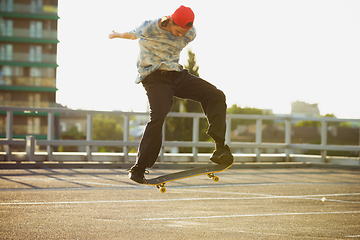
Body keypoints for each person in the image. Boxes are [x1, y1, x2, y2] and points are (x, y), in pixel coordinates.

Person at [109, 5, 233, 184]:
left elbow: (184, 34)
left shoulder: (191, 33)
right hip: (155, 78)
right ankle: (139, 168)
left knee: (216, 95)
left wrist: (183, 33)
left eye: (184, 32)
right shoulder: (149, 27)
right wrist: (116, 34)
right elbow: (131, 34)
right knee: (159, 114)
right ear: (170, 21)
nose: (181, 35)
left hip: (177, 76)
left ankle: (220, 148)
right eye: (178, 31)